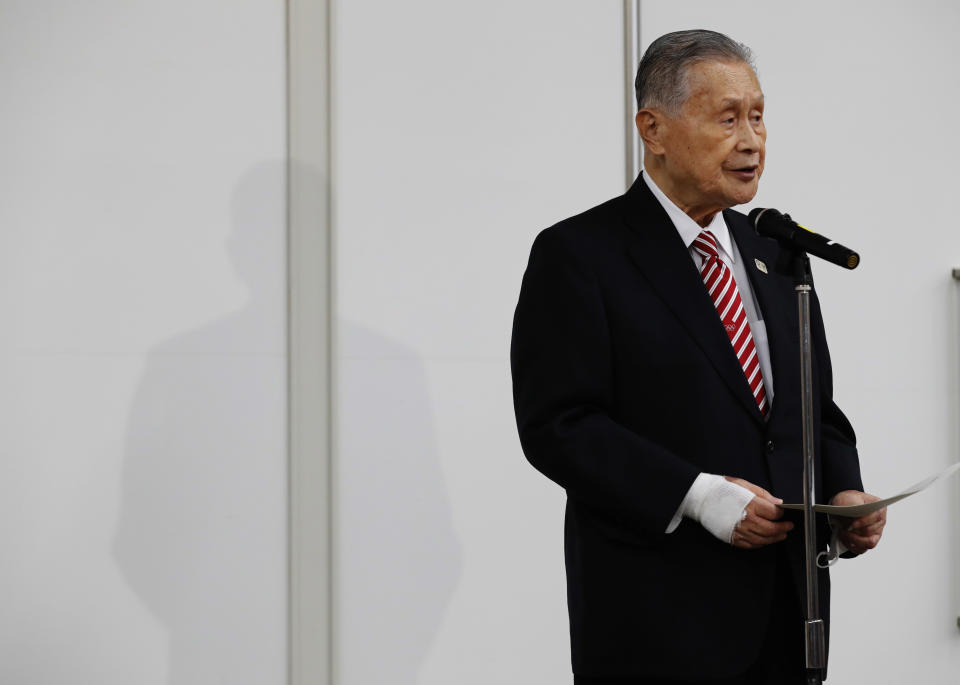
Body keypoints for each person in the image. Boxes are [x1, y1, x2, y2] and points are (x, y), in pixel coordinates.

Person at [510, 29, 886, 684]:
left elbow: (813, 411)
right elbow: (559, 424)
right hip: (658, 620)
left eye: (759, 115)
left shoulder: (778, 253)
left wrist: (842, 491)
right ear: (653, 129)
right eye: (728, 117)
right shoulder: (581, 254)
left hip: (788, 617)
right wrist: (697, 495)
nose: (752, 140)